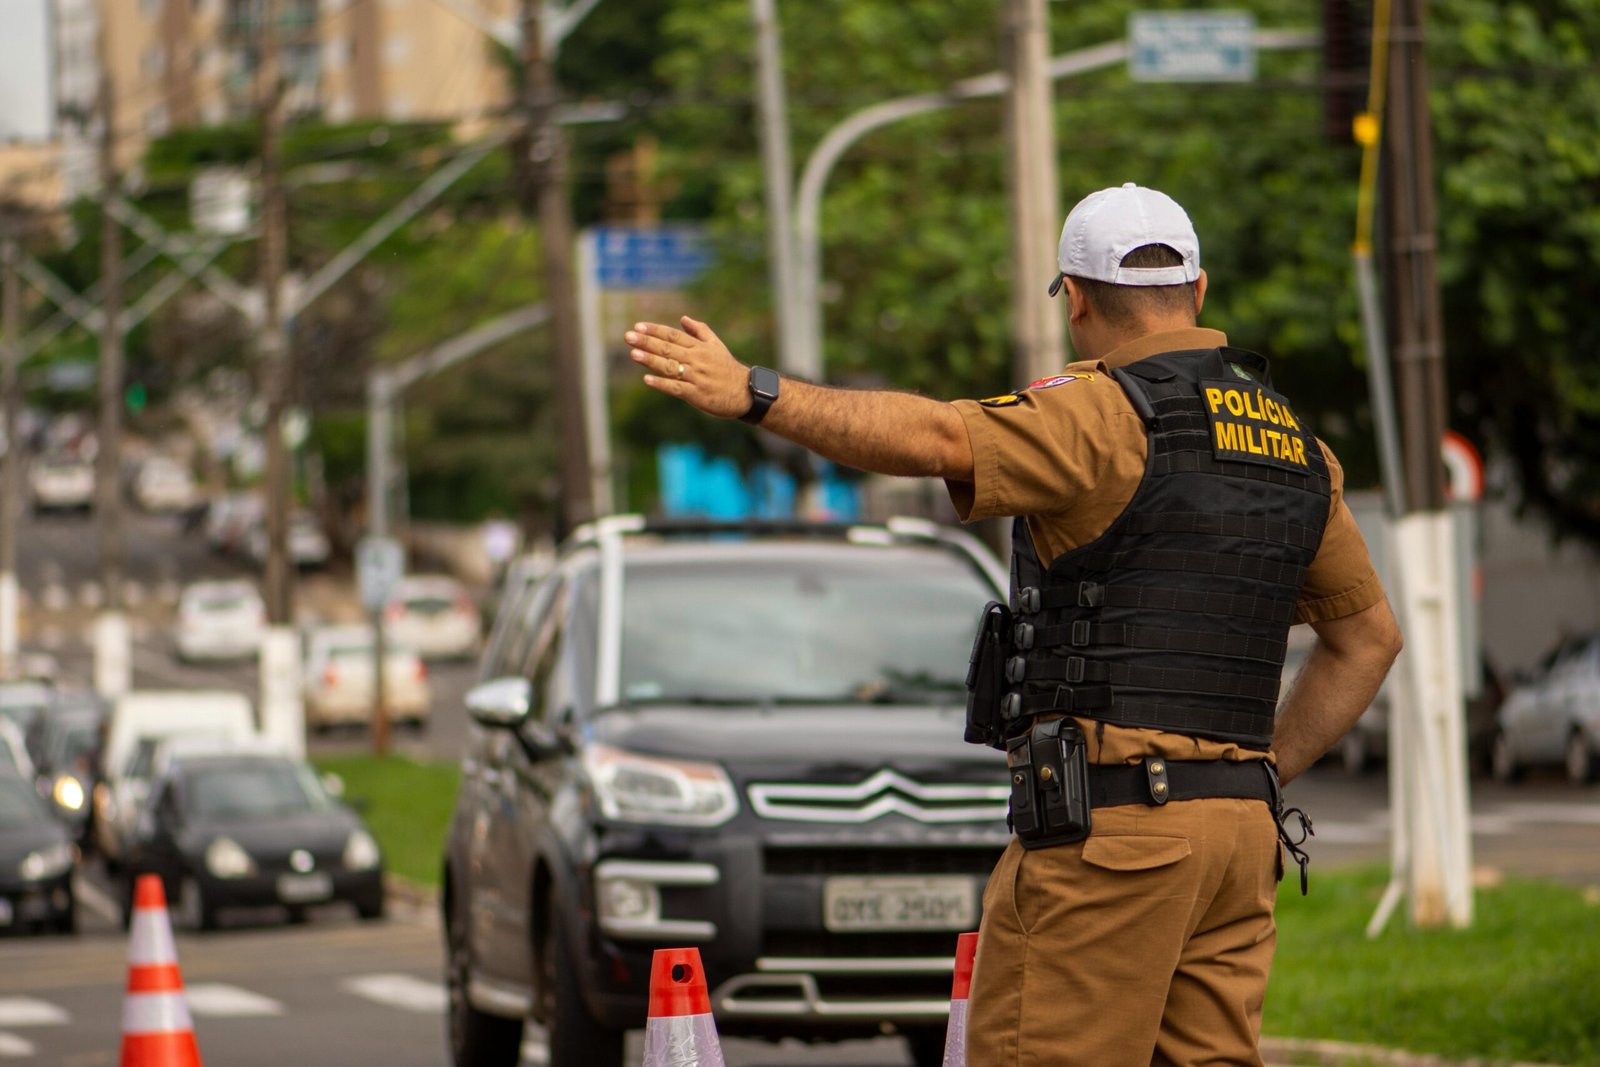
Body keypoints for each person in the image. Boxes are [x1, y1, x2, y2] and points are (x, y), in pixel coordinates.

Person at [624, 182, 1402, 1066]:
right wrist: (1254, 772)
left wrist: (756, 393)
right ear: (1200, 288)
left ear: (1075, 297)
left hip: (1118, 841)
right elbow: (1369, 638)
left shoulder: (1100, 413)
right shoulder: (1297, 446)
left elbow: (936, 439)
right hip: (1237, 841)